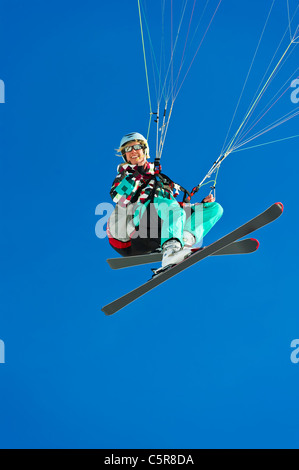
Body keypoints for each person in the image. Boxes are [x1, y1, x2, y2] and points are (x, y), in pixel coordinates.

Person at [107, 132, 223, 270]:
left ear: (144, 150)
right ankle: (171, 251)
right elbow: (118, 197)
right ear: (124, 156)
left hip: (160, 226)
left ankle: (183, 242)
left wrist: (200, 205)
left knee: (214, 208)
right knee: (169, 207)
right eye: (127, 149)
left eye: (137, 147)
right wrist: (138, 173)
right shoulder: (126, 175)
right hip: (133, 231)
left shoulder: (160, 179)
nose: (132, 151)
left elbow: (173, 207)